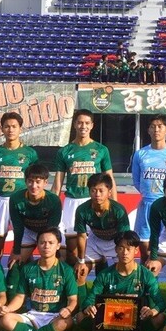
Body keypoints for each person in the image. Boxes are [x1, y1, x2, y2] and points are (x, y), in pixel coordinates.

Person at [79, 230, 166, 331]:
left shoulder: (145, 275)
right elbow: (89, 300)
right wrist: (88, 307)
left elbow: (161, 303)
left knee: (160, 318)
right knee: (80, 317)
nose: (125, 252)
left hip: (136, 320)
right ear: (116, 250)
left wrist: (152, 311)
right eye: (121, 248)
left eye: (129, 249)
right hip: (110, 320)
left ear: (136, 250)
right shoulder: (105, 274)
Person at [0, 227, 78, 331]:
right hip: (33, 315)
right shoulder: (28, 268)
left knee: (65, 322)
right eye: (42, 242)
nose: (46, 246)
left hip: (55, 316)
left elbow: (73, 300)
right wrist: (8, 309)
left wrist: (68, 309)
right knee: (5, 320)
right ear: (37, 245)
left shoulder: (66, 270)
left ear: (58, 245)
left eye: (51, 243)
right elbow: (20, 297)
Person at [53, 108, 116, 253]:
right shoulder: (64, 151)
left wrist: (114, 204)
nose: (83, 126)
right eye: (80, 123)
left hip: (95, 201)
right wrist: (52, 204)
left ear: (92, 125)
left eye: (87, 123)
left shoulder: (101, 150)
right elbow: (57, 184)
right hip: (72, 201)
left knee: (99, 247)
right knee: (72, 251)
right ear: (74, 124)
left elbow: (110, 180)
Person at [131, 114, 166, 260]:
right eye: (152, 126)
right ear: (148, 130)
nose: (156, 129)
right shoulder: (140, 154)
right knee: (146, 251)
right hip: (147, 206)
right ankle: (147, 283)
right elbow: (137, 181)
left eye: (160, 126)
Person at [0, 112, 38, 260]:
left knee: (23, 247)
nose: (10, 130)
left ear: (20, 128)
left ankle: (22, 280)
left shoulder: (30, 153)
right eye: (7, 126)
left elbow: (35, 177)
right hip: (0, 201)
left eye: (14, 126)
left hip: (22, 201)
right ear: (1, 129)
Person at [72, 172, 131, 295]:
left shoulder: (118, 210)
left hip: (116, 242)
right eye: (93, 190)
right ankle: (82, 310)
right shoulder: (82, 210)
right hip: (95, 240)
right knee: (80, 274)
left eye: (101, 190)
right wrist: (81, 261)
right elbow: (82, 236)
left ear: (109, 192)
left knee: (123, 275)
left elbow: (124, 238)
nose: (97, 194)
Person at [7, 162, 63, 274]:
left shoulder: (54, 200)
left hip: (49, 231)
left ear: (45, 183)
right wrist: (16, 251)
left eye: (38, 182)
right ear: (25, 181)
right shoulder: (15, 199)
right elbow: (18, 228)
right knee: (14, 264)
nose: (34, 186)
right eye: (30, 181)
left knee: (63, 259)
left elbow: (52, 229)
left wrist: (50, 249)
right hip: (28, 231)